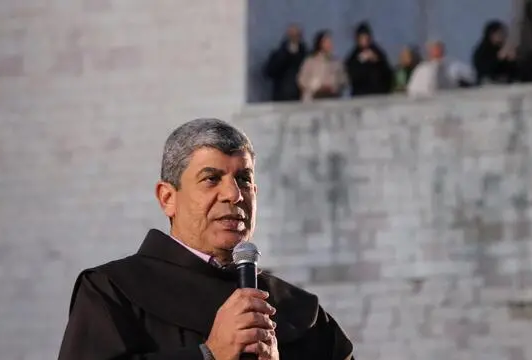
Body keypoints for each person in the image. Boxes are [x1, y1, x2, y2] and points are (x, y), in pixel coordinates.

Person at [57, 118, 355, 360]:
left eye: (244, 179)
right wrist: (209, 355)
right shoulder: (112, 292)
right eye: (211, 179)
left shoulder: (301, 313)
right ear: (167, 198)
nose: (234, 195)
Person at [407, 40, 475, 97]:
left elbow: (469, 78)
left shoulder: (453, 65)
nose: (436, 51)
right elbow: (413, 90)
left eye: (438, 48)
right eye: (434, 48)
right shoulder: (422, 68)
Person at [297, 30, 349, 102]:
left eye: (330, 42)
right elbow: (302, 81)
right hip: (314, 100)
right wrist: (317, 86)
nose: (330, 45)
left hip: (332, 99)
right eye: (326, 42)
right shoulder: (310, 62)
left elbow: (344, 80)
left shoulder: (337, 63)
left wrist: (334, 86)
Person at [345, 22, 393, 96]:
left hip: (379, 94)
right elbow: (351, 75)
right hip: (361, 95)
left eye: (366, 37)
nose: (364, 40)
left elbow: (387, 73)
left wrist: (376, 60)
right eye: (361, 38)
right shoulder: (353, 56)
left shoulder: (378, 53)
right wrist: (361, 61)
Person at [263, 24, 308, 102]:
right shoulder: (278, 54)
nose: (294, 37)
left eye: (296, 34)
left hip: (301, 96)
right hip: (282, 95)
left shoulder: (306, 55)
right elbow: (268, 72)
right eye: (292, 34)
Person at [472, 20, 518, 84]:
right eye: (499, 34)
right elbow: (483, 69)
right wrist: (498, 58)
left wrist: (511, 60)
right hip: (487, 82)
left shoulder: (503, 48)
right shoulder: (482, 51)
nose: (502, 36)